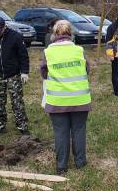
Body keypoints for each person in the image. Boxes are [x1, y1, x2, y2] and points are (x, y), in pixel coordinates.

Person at [40, 20, 91, 175]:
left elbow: (44, 73)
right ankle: (80, 162)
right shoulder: (79, 50)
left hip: (57, 100)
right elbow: (87, 70)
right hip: (80, 99)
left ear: (54, 34)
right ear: (71, 34)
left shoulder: (48, 52)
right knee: (79, 130)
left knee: (60, 132)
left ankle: (61, 165)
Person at [0, 17, 30, 136]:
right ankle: (0, 125)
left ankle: (22, 125)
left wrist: (24, 72)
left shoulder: (16, 37)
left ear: (4, 27)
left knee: (17, 101)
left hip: (13, 75)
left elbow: (23, 56)